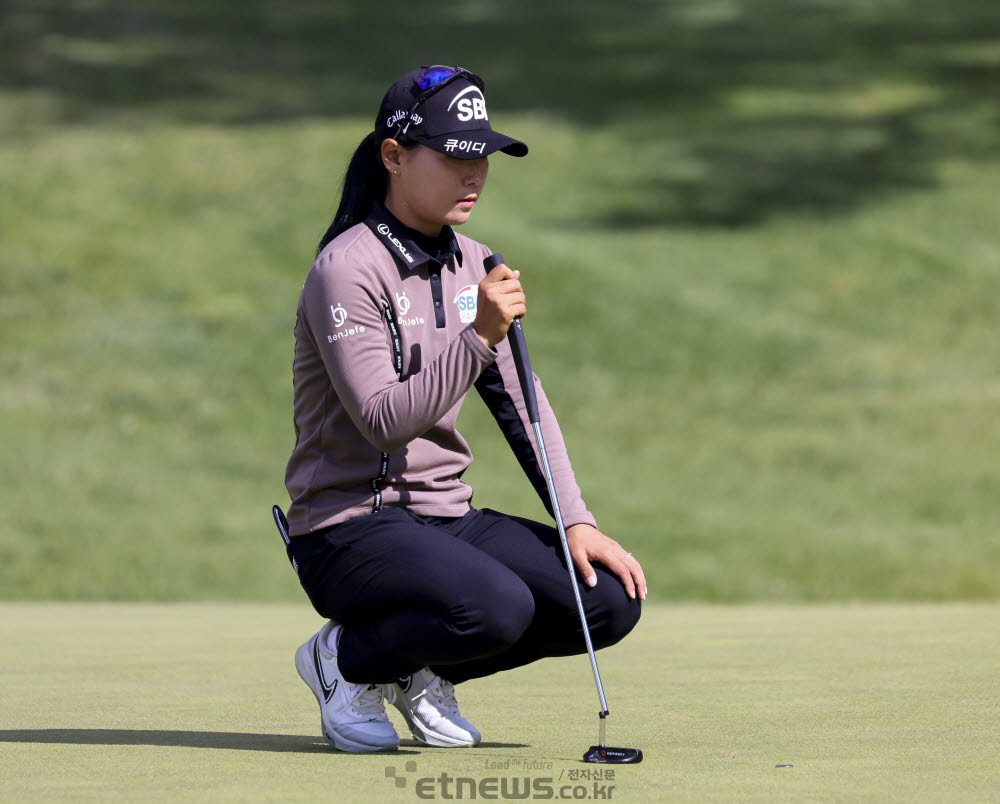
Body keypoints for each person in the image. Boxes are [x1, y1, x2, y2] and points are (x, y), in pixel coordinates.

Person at [282, 65, 646, 753]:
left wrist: (575, 519)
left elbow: (524, 408)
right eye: (454, 156)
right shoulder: (347, 268)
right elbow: (384, 420)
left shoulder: (475, 264)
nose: (473, 174)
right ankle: (347, 661)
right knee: (495, 607)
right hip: (347, 528)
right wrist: (478, 335)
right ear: (394, 157)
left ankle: (410, 669)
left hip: (444, 515)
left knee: (605, 600)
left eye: (481, 157)